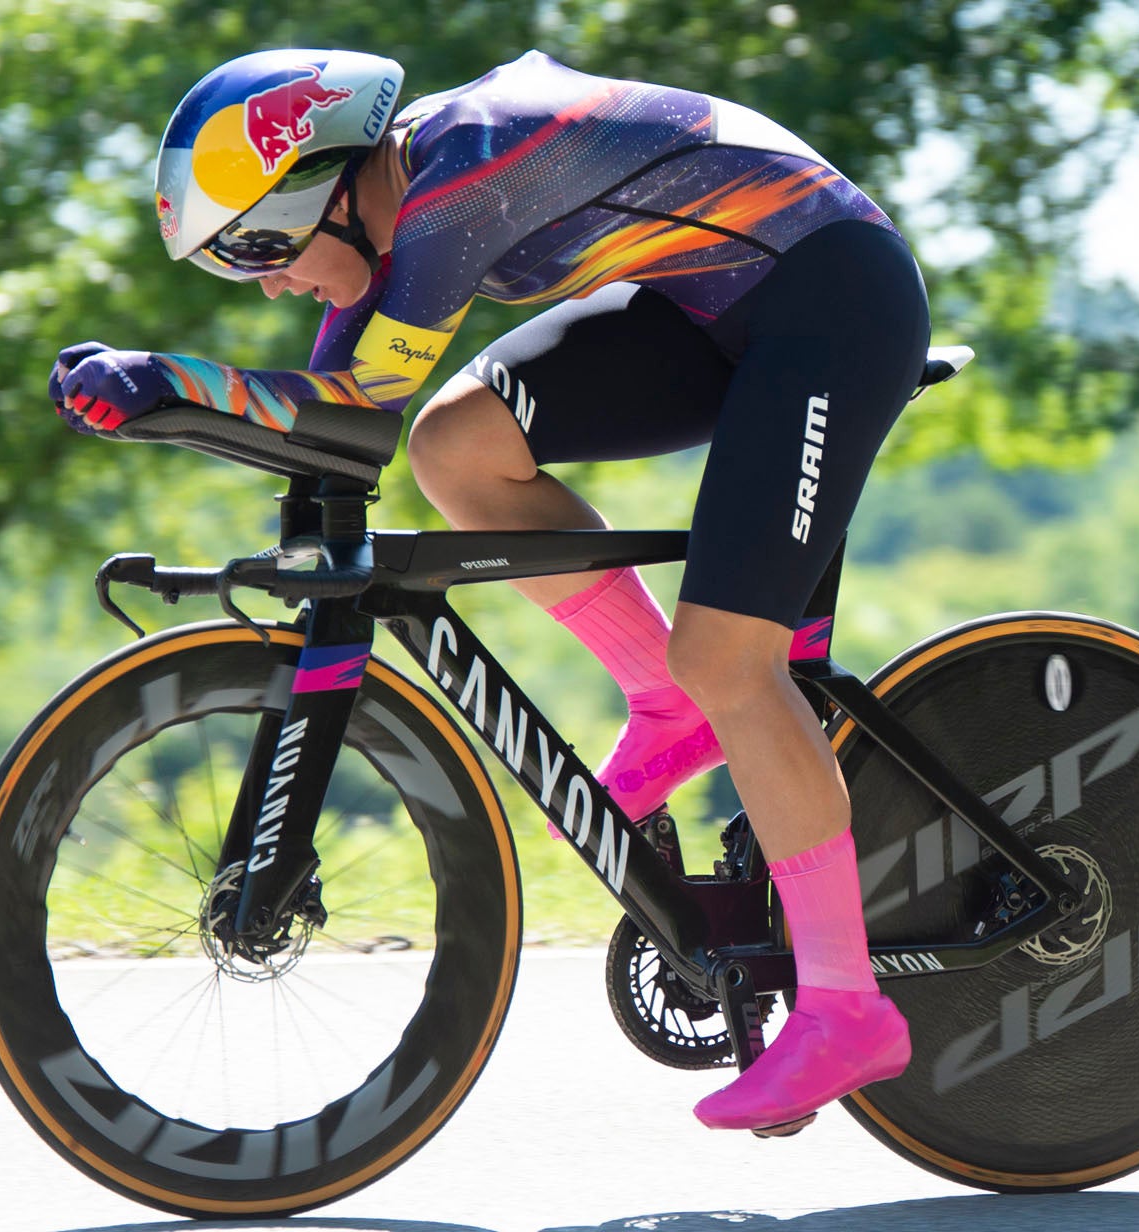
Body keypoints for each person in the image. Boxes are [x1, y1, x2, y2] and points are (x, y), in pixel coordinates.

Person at [49, 48, 929, 1134]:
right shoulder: (409, 187)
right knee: (461, 448)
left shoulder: (459, 176)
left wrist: (170, 380)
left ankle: (847, 1004)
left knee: (730, 657)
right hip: (707, 302)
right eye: (237, 265)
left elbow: (348, 407)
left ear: (329, 185)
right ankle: (667, 704)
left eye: (262, 245)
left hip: (831, 301)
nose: (269, 281)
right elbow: (331, 433)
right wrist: (165, 401)